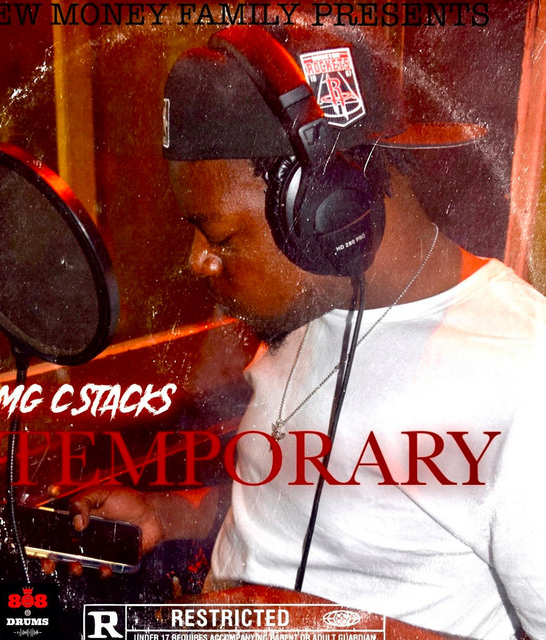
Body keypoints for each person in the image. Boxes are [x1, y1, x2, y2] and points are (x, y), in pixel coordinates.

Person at [72, 25, 546, 639]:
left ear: (322, 208)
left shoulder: (525, 375)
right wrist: (168, 515)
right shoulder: (304, 305)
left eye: (218, 235)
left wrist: (318, 626)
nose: (198, 261)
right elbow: (301, 504)